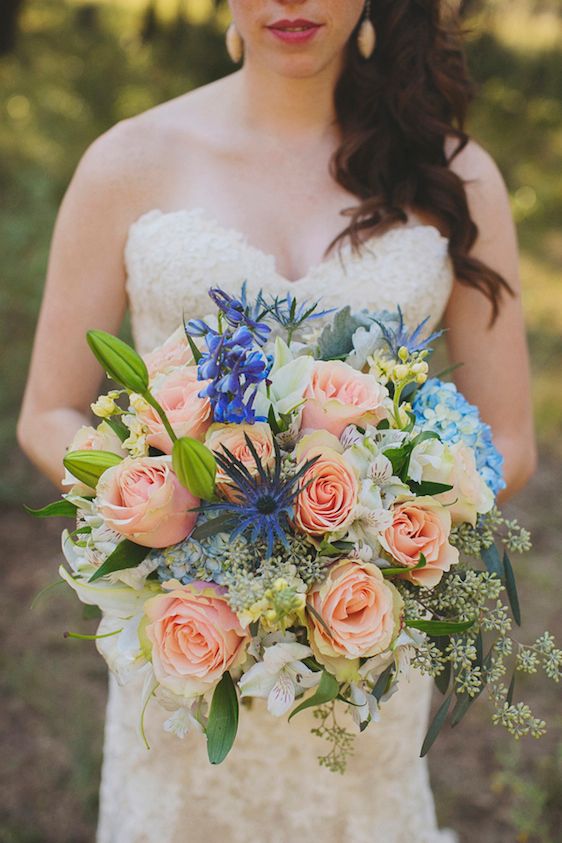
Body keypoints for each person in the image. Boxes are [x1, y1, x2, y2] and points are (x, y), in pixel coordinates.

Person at [17, 1, 537, 841]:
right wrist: (166, 516)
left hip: (363, 649)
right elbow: (46, 412)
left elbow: (509, 439)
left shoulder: (454, 174)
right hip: (183, 651)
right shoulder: (127, 161)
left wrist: (375, 535)